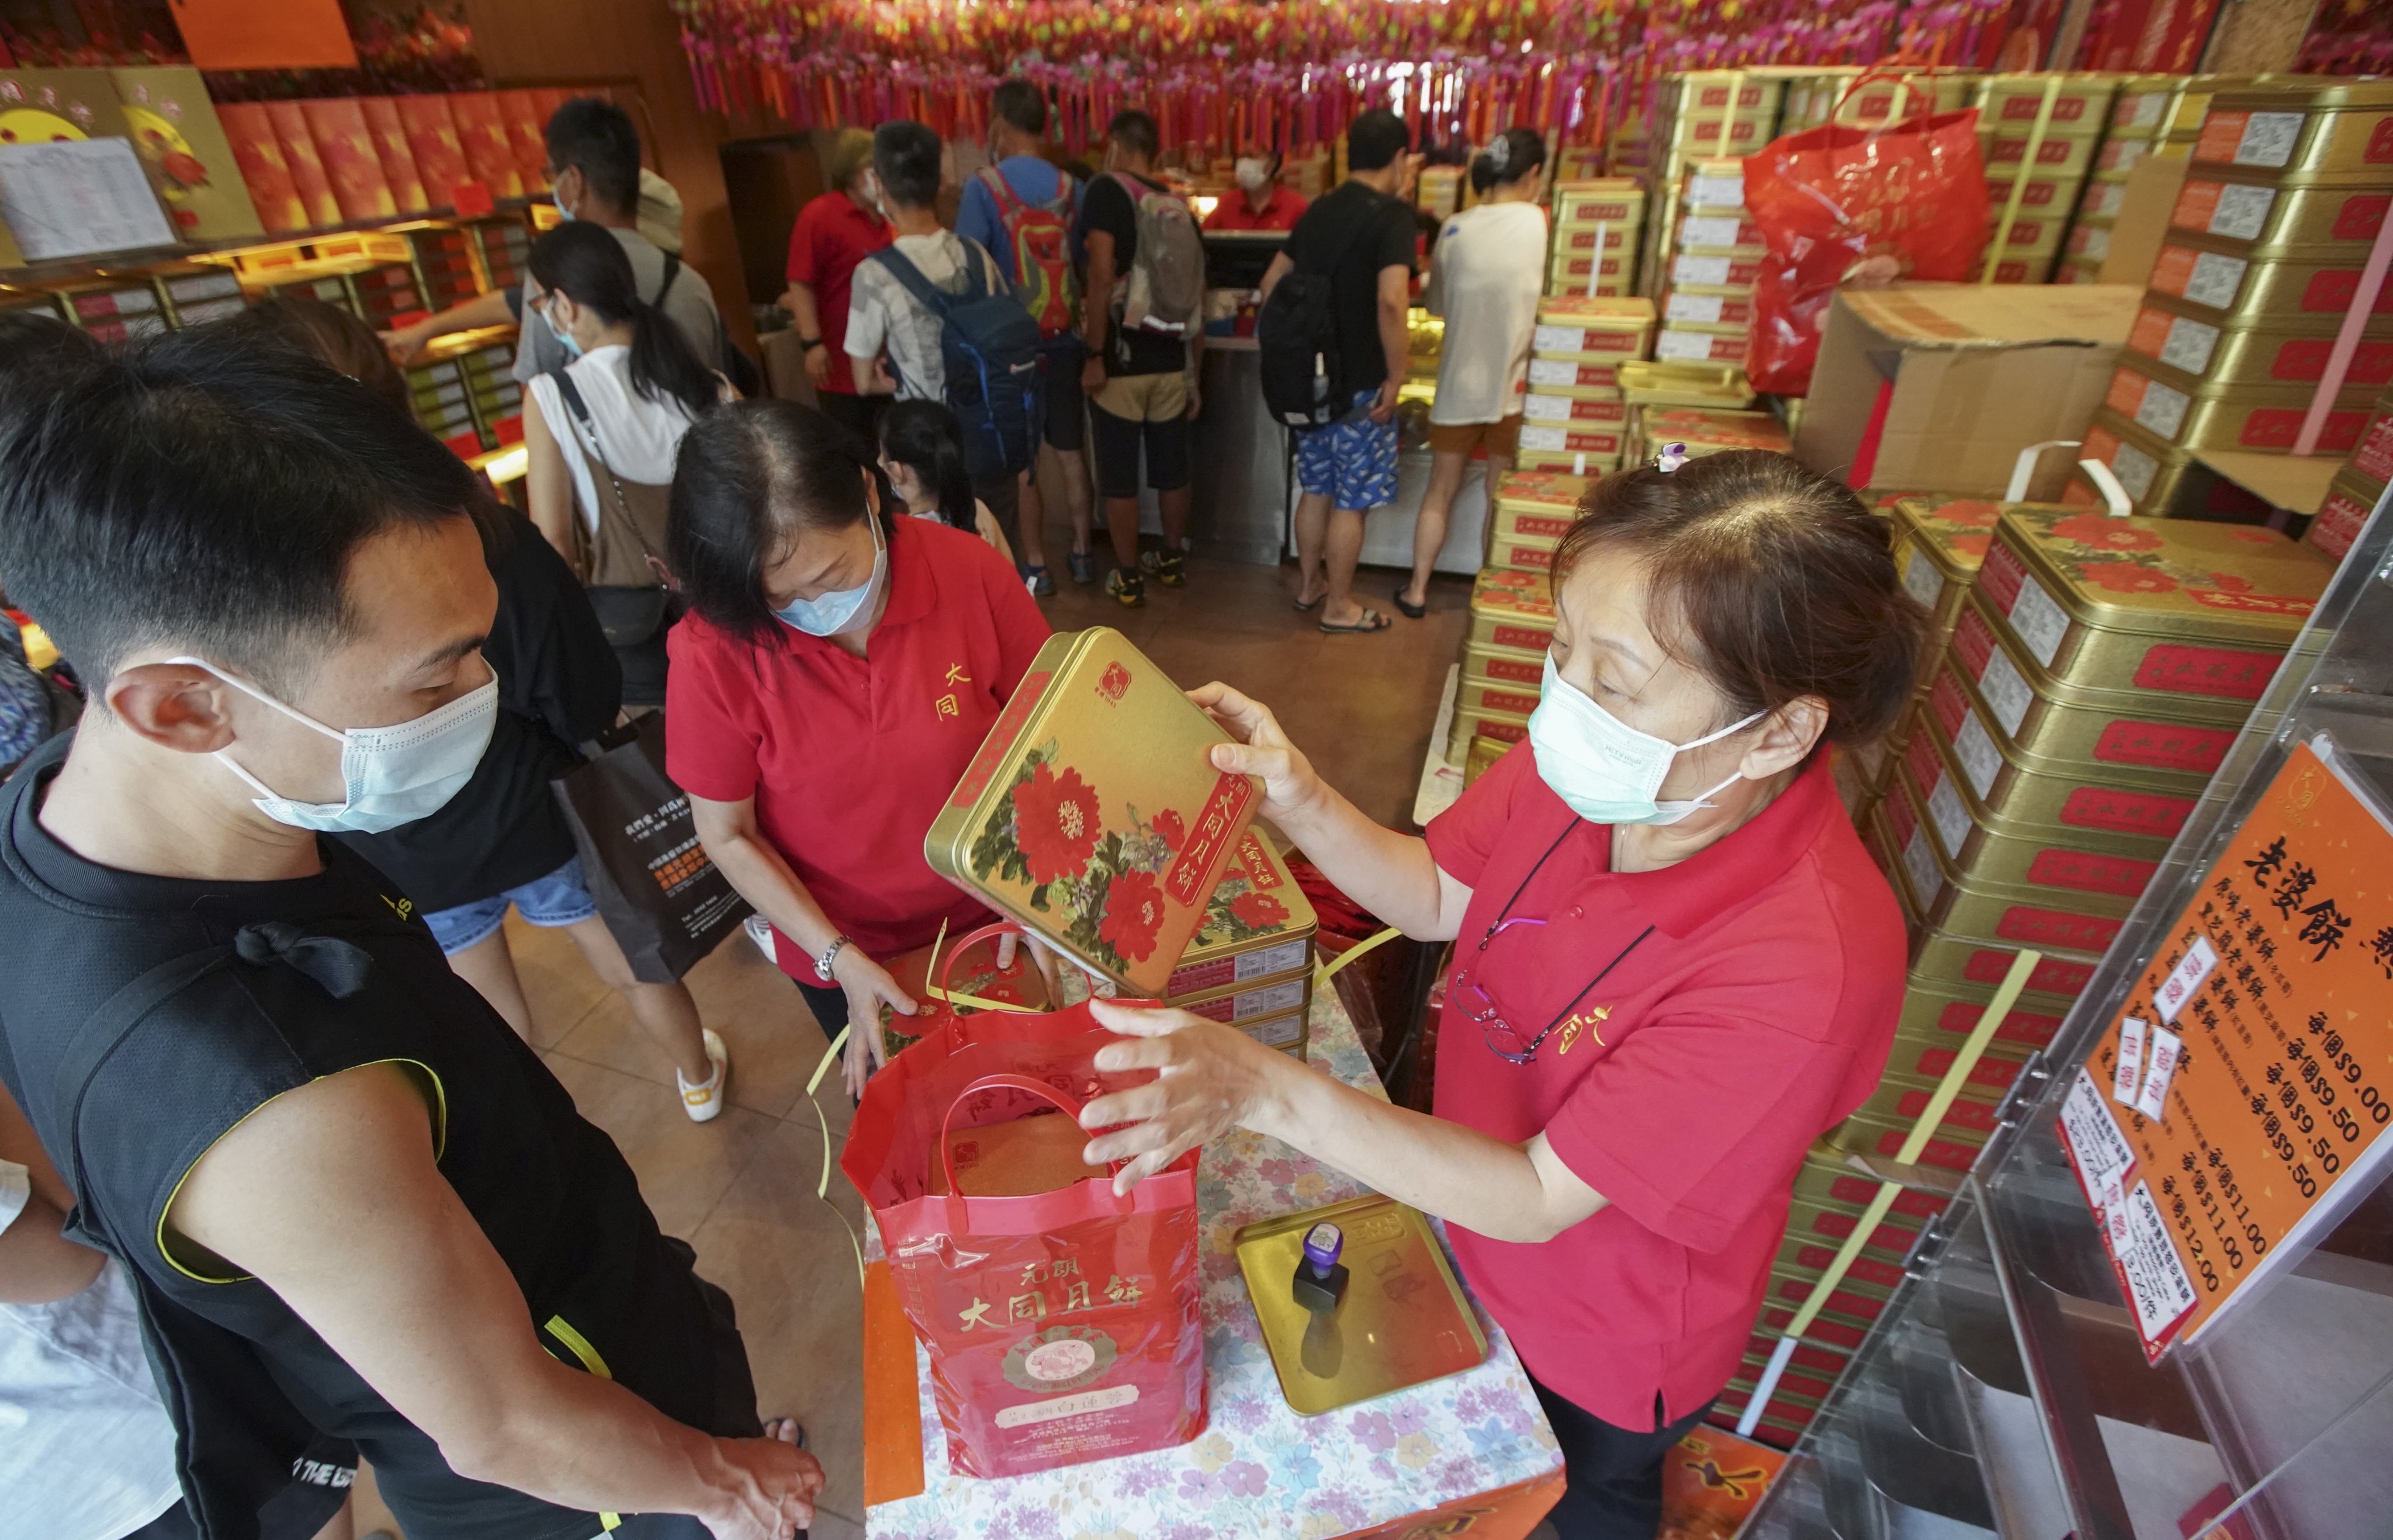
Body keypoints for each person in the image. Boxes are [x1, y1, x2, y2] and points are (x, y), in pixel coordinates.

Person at [0, 334, 820, 1540]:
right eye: (432, 685)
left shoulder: (69, 814)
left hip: (606, 1325)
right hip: (585, 1476)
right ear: (181, 705)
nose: (479, 701)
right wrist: (725, 1483)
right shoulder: (263, 1088)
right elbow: (507, 1422)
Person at [1070, 451, 1924, 1540]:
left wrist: (1261, 1090)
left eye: (1614, 680)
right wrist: (1301, 797)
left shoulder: (1806, 964)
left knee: (1575, 1510)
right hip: (1459, 1229)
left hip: (1594, 1335)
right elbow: (1435, 890)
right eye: (1564, 648)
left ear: (1781, 731)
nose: (1565, 697)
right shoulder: (1598, 768)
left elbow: (1535, 1195)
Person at [217, 292, 734, 1122]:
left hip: (397, 847)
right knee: (627, 956)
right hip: (531, 809)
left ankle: (542, 1131)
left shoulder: (259, 589)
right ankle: (696, 1078)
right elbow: (578, 685)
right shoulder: (477, 534)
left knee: (485, 1011)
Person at [664, 401, 1050, 1099]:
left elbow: (1050, 732)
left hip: (993, 910)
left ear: (871, 492)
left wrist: (1035, 881)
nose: (814, 606)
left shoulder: (966, 570)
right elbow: (726, 833)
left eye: (833, 574)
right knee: (919, 1105)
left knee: (1026, 1088)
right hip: (842, 942)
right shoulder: (712, 649)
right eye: (781, 597)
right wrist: (836, 956)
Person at [522, 219, 733, 706]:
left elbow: (554, 539)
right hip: (729, 610)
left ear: (565, 305)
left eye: (539, 306)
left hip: (634, 638)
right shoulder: (709, 386)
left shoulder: (551, 396)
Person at [380, 98, 723, 381]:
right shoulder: (692, 287)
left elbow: (540, 394)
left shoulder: (556, 283)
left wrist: (425, 329)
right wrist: (430, 327)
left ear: (574, 180)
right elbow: (516, 302)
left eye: (550, 175)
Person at [1265, 107, 1420, 634]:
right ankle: (1339, 606)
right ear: (1399, 157)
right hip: (1360, 389)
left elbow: (1271, 287)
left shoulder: (1317, 211)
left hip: (1312, 386)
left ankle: (1309, 586)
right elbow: (1392, 301)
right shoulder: (1393, 216)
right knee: (1351, 502)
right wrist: (1395, 378)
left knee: (1315, 490)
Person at [843, 120, 1026, 567]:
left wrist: (903, 373)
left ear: (877, 184)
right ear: (939, 183)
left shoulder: (874, 275)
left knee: (943, 569)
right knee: (999, 556)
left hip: (926, 461)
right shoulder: (975, 256)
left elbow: (863, 381)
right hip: (989, 436)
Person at [1400, 127, 1549, 619]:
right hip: (1515, 387)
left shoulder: (1456, 227)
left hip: (1456, 385)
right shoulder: (1541, 225)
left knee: (1439, 490)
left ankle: (1417, 590)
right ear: (1533, 173)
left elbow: (1437, 305)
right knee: (1498, 494)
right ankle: (1488, 593)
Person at [958, 77, 1095, 594]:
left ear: (1000, 123)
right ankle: (1083, 551)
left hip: (1010, 348)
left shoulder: (984, 188)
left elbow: (968, 266)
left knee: (1025, 462)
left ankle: (1036, 564)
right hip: (1065, 339)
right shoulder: (1069, 189)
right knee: (1071, 451)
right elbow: (1081, 261)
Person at [1075, 109, 1203, 608]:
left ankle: (1127, 576)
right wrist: (1195, 374)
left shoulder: (1107, 191)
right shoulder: (1178, 203)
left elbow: (1101, 276)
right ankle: (1171, 559)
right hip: (1172, 358)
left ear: (1115, 146)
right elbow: (1198, 291)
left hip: (1122, 362)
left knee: (1120, 474)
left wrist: (1093, 353)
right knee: (1172, 469)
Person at [782, 127, 892, 445]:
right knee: (857, 451)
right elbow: (800, 282)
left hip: (889, 363)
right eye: (871, 170)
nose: (878, 178)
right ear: (851, 173)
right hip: (842, 365)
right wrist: (811, 343)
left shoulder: (890, 215)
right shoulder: (819, 216)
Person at [879, 397, 1016, 564]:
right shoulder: (977, 510)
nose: (879, 460)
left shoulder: (902, 545)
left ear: (896, 471)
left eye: (882, 454)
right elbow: (1010, 577)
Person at [1203, 147, 1307, 233]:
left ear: (1273, 162)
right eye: (1242, 157)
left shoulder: (1296, 207)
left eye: (1253, 156)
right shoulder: (1226, 204)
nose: (1246, 163)